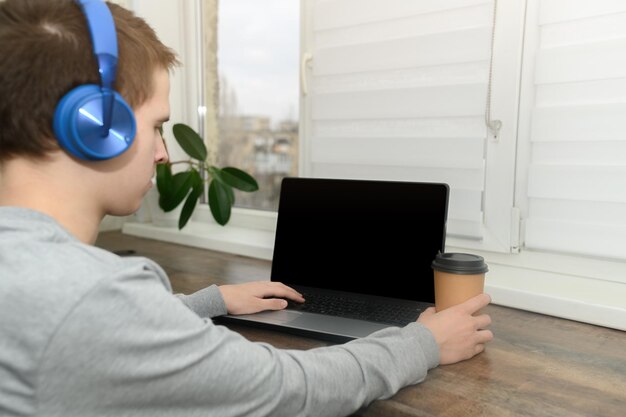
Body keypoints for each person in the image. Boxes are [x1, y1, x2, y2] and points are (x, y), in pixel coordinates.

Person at [0, 1, 494, 416]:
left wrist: (209, 302)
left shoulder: (41, 277)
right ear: (94, 126)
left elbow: (95, 332)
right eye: (155, 126)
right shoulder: (88, 295)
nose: (163, 152)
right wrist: (423, 343)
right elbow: (287, 388)